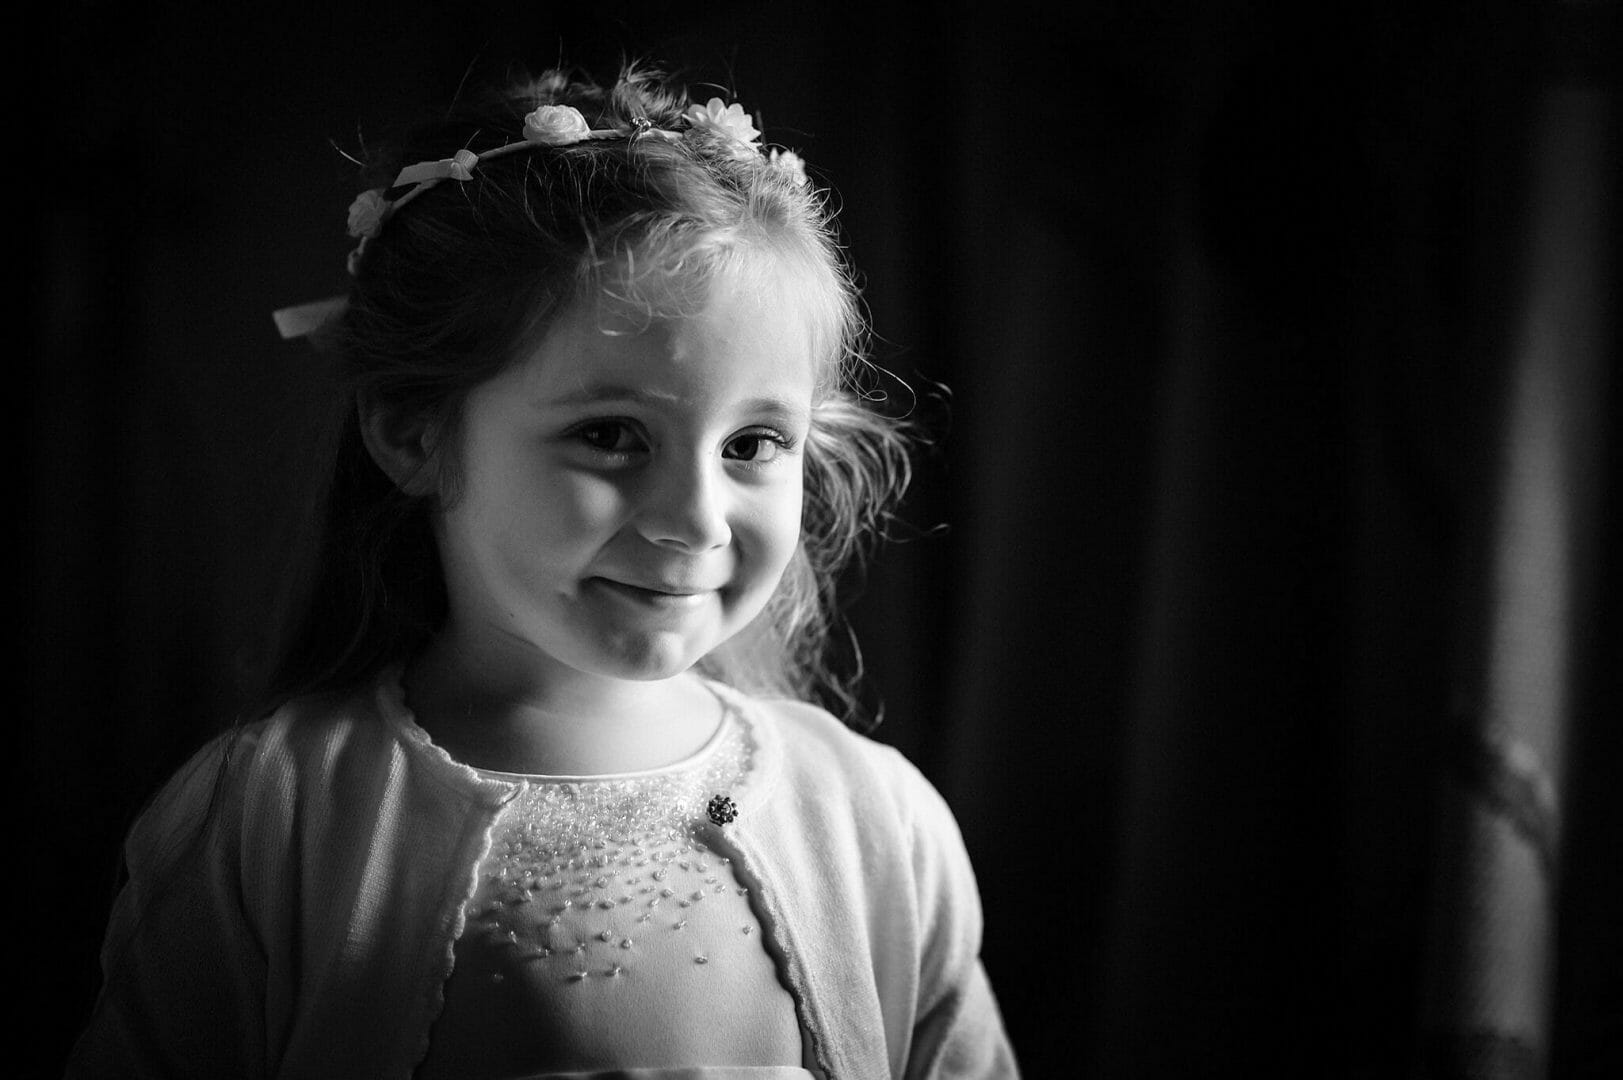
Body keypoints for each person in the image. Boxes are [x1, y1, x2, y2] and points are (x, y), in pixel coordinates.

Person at [67, 63, 1017, 1079]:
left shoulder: (877, 819)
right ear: (411, 431)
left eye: (751, 445)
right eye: (612, 435)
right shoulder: (271, 820)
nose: (697, 518)